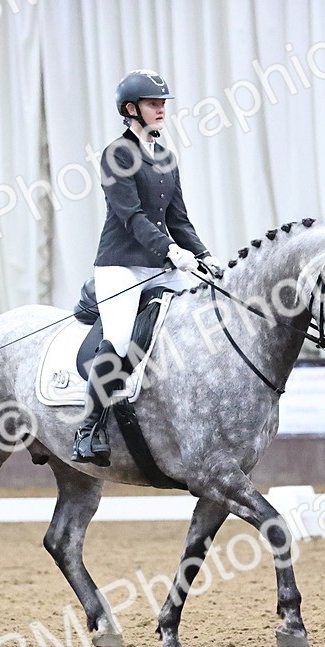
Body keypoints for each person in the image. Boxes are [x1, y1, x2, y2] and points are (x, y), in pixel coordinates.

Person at [71, 69, 222, 466]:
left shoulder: (166, 157)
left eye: (163, 104)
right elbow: (132, 216)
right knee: (120, 339)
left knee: (200, 315)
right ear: (131, 109)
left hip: (162, 262)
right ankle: (88, 429)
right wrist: (172, 251)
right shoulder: (115, 155)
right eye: (154, 104)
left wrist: (204, 256)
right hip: (121, 264)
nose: (161, 110)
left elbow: (178, 217)